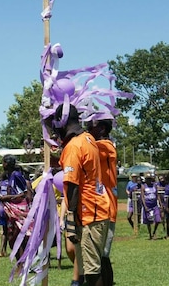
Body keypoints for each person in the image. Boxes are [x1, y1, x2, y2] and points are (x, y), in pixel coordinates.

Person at [52, 104, 111, 286]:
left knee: (92, 272)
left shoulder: (73, 146)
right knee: (95, 265)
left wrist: (71, 219)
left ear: (62, 122)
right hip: (98, 209)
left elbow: (73, 187)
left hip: (88, 215)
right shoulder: (88, 138)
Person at [89, 117, 117, 286]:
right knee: (101, 255)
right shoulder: (98, 145)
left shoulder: (105, 146)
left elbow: (86, 149)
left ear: (102, 129)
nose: (87, 126)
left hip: (107, 209)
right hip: (100, 207)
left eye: (92, 124)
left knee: (102, 255)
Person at [0, 155, 31, 257]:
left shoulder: (16, 175)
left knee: (18, 236)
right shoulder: (10, 175)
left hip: (19, 209)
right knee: (11, 236)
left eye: (3, 162)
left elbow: (24, 193)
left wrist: (7, 197)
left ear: (7, 163)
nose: (2, 164)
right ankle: (20, 260)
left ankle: (23, 261)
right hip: (11, 209)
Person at [141, 174, 162, 240]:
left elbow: (157, 195)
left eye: (150, 179)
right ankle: (150, 234)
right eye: (147, 179)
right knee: (149, 221)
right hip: (147, 204)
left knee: (158, 219)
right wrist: (145, 206)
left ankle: (154, 232)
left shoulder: (154, 186)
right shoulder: (143, 186)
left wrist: (160, 204)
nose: (149, 180)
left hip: (154, 204)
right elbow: (142, 197)